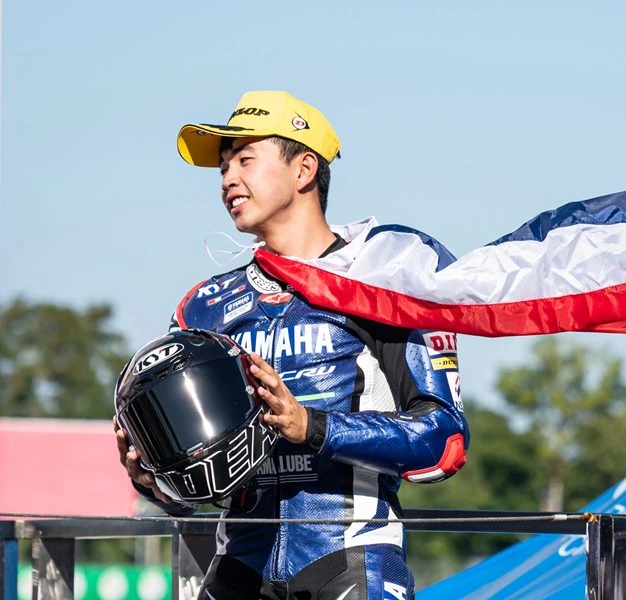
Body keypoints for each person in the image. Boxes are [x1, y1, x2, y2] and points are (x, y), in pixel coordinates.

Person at [115, 90, 470, 600]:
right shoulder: (203, 310)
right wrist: (153, 480)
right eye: (223, 167)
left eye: (244, 160)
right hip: (239, 565)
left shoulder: (384, 277)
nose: (227, 179)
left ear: (304, 169)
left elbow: (444, 442)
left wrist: (311, 425)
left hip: (351, 559)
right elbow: (191, 498)